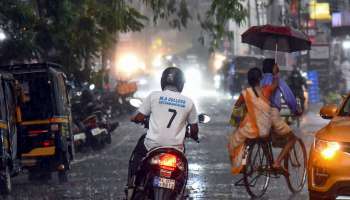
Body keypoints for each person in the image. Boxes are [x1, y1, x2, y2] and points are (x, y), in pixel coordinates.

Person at [127, 67, 199, 190]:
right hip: (176, 149)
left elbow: (139, 117)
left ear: (162, 82)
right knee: (183, 170)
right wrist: (193, 135)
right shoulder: (189, 102)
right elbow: (194, 129)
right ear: (181, 84)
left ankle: (132, 185)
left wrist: (134, 118)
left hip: (152, 146)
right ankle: (180, 191)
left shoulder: (154, 96)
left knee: (137, 155)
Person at [228, 67, 278, 174]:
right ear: (260, 79)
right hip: (265, 129)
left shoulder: (245, 93)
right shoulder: (266, 90)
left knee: (238, 142)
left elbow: (236, 108)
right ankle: (271, 163)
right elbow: (275, 85)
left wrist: (237, 121)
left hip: (251, 130)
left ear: (248, 80)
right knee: (264, 142)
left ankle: (244, 164)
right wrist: (275, 74)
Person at [261, 59, 299, 170]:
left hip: (258, 115)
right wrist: (295, 109)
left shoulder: (259, 80)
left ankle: (269, 162)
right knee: (292, 138)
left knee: (264, 139)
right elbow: (289, 98)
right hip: (272, 114)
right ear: (275, 67)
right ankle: (277, 162)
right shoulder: (277, 81)